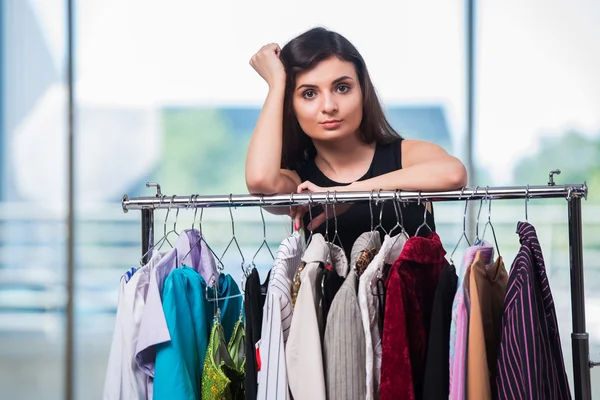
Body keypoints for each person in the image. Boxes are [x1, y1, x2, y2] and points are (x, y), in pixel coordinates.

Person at [245, 27, 467, 258]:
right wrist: (276, 85)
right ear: (290, 104)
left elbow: (454, 174)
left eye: (342, 88)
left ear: (362, 91)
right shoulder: (299, 182)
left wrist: (345, 192)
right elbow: (260, 180)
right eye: (309, 93)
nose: (329, 106)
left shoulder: (407, 155)